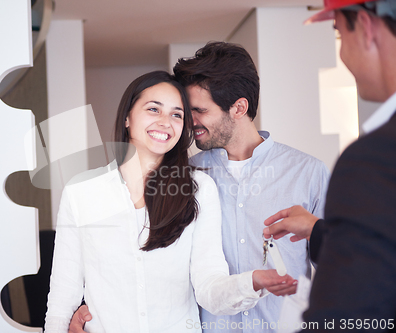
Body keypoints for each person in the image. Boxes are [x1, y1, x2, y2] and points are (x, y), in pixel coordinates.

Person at [44, 71, 296, 333]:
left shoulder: (198, 189)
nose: (166, 122)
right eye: (154, 109)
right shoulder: (81, 192)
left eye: (177, 115)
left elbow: (209, 285)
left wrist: (252, 282)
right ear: (128, 117)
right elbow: (63, 294)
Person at [172, 42, 330, 333]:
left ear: (239, 107)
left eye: (199, 110)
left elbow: (336, 272)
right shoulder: (187, 175)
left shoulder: (308, 173)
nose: (189, 121)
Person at [263, 0, 396, 330]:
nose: (343, 56)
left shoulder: (372, 158)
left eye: (338, 35)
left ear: (365, 26)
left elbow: (346, 316)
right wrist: (320, 232)